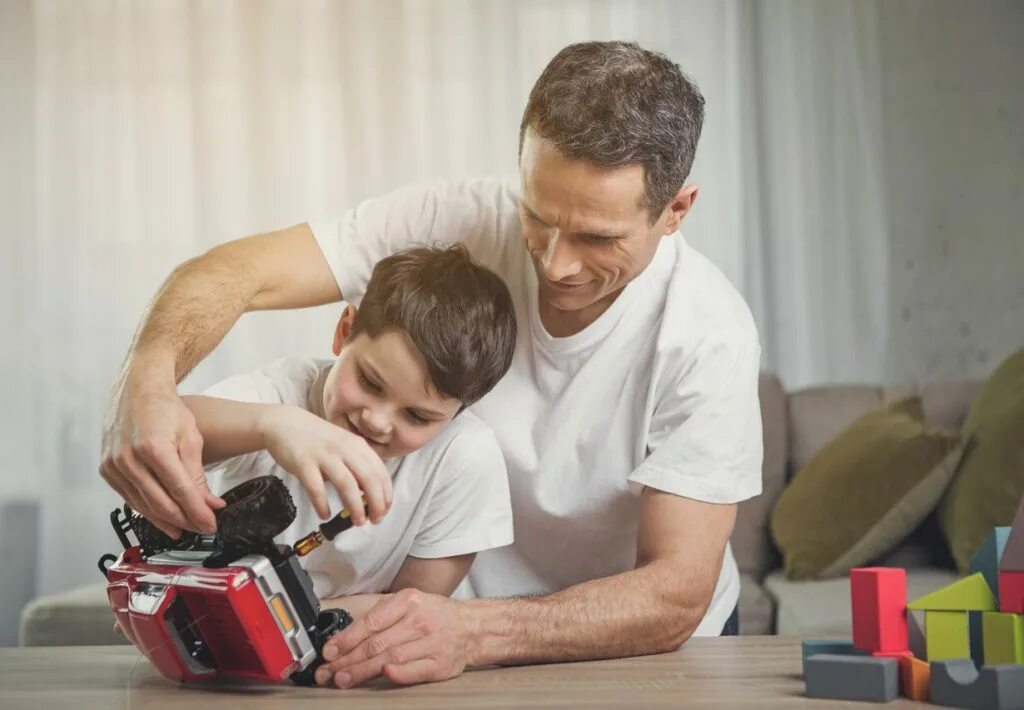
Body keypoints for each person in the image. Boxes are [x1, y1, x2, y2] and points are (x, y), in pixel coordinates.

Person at [100, 40, 763, 688]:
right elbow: (234, 272)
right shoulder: (455, 218)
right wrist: (146, 387)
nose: (555, 263)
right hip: (454, 638)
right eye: (537, 216)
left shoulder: (708, 337)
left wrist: (473, 631)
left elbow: (674, 592)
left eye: (597, 237)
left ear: (676, 210)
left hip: (640, 646)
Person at [188, 245, 517, 613]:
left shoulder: (464, 457)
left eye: (417, 416)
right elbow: (158, 431)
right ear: (344, 331)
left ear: (457, 414)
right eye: (370, 383)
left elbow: (408, 614)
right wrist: (272, 425)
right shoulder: (279, 395)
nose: (377, 421)